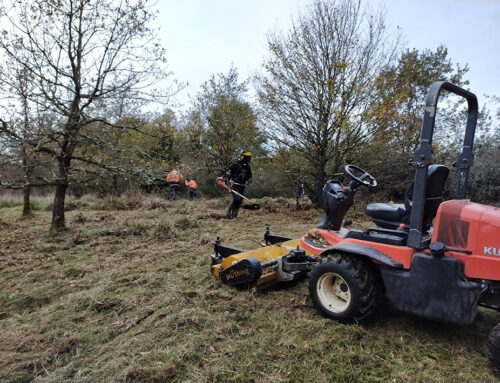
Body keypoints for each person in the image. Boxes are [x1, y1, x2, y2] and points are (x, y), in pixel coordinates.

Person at [225, 151, 252, 218]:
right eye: (247, 157)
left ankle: (234, 215)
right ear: (243, 157)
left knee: (240, 200)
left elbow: (249, 175)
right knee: (236, 198)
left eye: (249, 158)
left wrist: (249, 179)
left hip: (242, 185)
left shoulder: (247, 166)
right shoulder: (235, 163)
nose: (248, 159)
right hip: (234, 183)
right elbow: (228, 171)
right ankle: (229, 209)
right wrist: (228, 175)